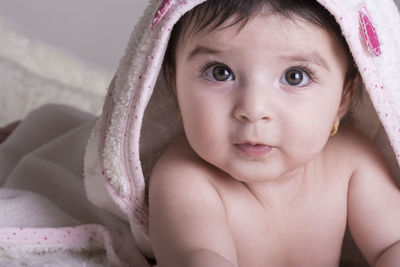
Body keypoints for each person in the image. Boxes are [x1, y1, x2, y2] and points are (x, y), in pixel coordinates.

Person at [147, 0, 400, 266]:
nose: (253, 110)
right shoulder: (184, 177)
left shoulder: (350, 160)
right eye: (220, 73)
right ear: (175, 87)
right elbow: (197, 258)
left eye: (294, 76)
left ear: (343, 99)